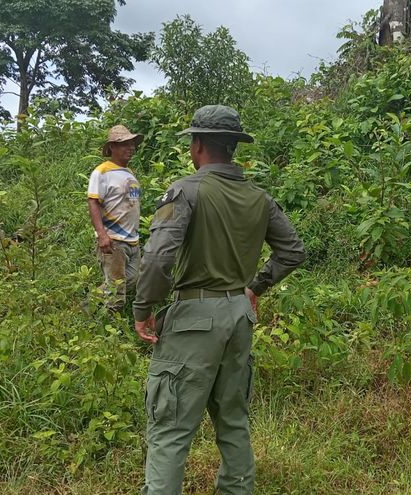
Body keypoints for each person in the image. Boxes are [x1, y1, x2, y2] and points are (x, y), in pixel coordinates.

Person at [133, 105, 306, 494]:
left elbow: (158, 258)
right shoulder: (259, 197)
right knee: (233, 420)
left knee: (170, 428)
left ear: (197, 145)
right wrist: (253, 288)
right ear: (232, 147)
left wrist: (143, 308)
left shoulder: (186, 190)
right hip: (239, 316)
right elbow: (293, 251)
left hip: (194, 319)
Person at [87, 124, 144, 310]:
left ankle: (88, 305)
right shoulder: (102, 172)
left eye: (132, 144)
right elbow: (93, 202)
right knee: (117, 293)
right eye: (125, 144)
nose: (131, 148)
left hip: (133, 240)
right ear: (112, 147)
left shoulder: (129, 173)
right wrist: (102, 235)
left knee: (132, 280)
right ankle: (110, 324)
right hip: (114, 240)